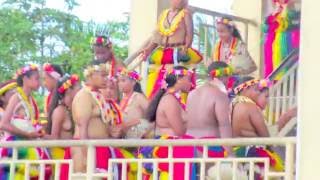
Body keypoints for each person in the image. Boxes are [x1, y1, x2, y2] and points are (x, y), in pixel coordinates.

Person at [64, 61, 122, 175]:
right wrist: (87, 159)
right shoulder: (84, 96)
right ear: (91, 75)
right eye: (103, 75)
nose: (106, 79)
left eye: (107, 75)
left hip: (100, 149)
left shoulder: (98, 95)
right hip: (86, 151)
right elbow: (82, 129)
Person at [139, 0, 202, 99]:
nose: (181, 1)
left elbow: (189, 35)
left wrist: (185, 49)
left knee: (177, 82)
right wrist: (148, 49)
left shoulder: (185, 14)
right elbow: (157, 36)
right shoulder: (164, 14)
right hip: (163, 52)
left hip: (178, 52)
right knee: (157, 83)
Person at [141, 66, 195, 180]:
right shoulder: (170, 100)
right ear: (179, 79)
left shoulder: (173, 98)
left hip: (172, 148)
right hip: (170, 149)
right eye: (189, 79)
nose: (191, 83)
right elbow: (179, 131)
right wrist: (192, 120)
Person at [0, 64, 51, 179]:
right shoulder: (16, 97)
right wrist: (27, 134)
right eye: (36, 78)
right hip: (18, 147)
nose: (40, 83)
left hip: (31, 145)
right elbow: (3, 124)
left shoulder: (30, 100)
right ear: (25, 79)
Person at [231, 77, 284, 177]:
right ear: (245, 89)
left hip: (235, 153)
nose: (257, 93)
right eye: (255, 90)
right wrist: (273, 150)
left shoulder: (232, 105)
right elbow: (265, 138)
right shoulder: (251, 107)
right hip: (252, 154)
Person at [186, 61, 233, 139]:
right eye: (228, 77)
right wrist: (229, 151)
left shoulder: (191, 94)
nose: (228, 81)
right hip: (209, 147)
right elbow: (224, 126)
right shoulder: (220, 95)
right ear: (223, 76)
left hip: (190, 145)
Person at [117, 68, 150, 139]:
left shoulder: (138, 97)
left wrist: (131, 123)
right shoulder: (122, 100)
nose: (120, 83)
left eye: (123, 80)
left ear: (133, 82)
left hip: (139, 136)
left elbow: (152, 114)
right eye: (119, 81)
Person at [45, 74, 80, 140]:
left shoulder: (74, 107)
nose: (80, 91)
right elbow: (54, 138)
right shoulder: (60, 111)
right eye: (78, 88)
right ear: (69, 90)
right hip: (61, 149)